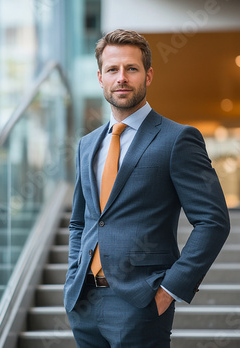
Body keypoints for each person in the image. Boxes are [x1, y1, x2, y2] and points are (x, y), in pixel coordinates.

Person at [63, 29, 230, 347]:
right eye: (112, 69)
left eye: (132, 68)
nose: (121, 78)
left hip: (141, 302)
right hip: (83, 302)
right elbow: (80, 222)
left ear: (148, 75)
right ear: (100, 78)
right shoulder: (87, 145)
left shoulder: (177, 139)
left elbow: (213, 222)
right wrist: (73, 274)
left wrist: (169, 291)